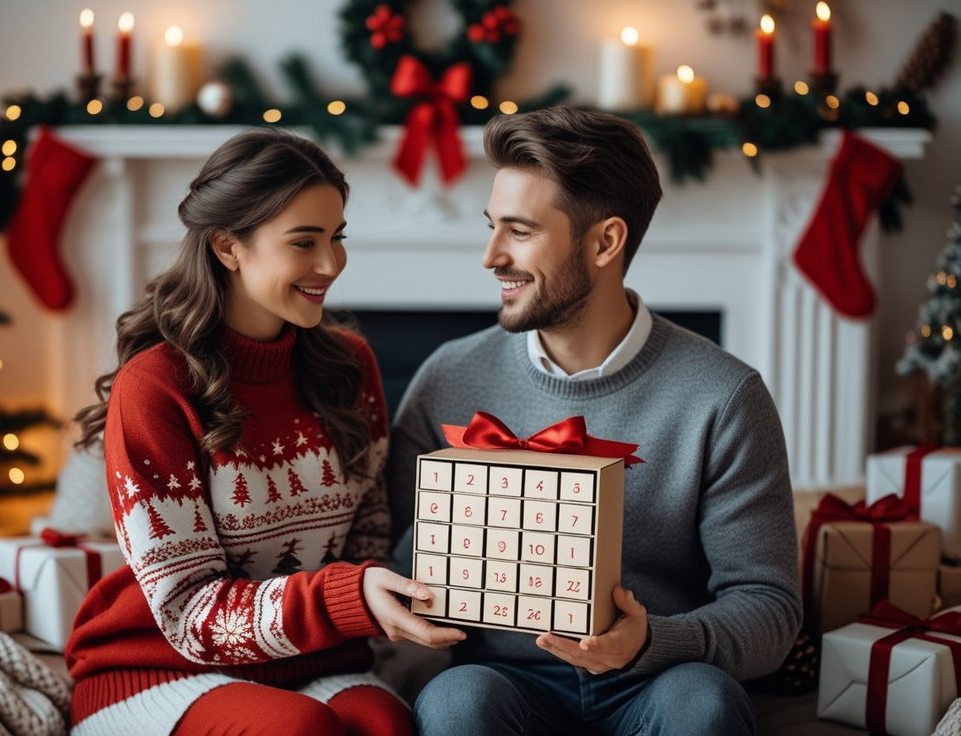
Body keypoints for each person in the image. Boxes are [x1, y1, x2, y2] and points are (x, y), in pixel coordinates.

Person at [387, 106, 802, 735]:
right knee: (455, 702)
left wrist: (652, 641)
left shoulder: (724, 397)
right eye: (491, 226)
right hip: (504, 682)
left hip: (660, 679)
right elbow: (389, 560)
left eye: (520, 231)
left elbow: (769, 609)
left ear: (605, 241)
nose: (490, 256)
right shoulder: (449, 377)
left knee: (704, 706)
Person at [64, 128, 464, 736]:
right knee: (298, 731)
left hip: (312, 661)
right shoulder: (155, 387)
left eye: (337, 238)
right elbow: (188, 612)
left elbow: (368, 541)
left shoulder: (349, 366)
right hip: (161, 667)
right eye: (304, 242)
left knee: (387, 724)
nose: (331, 265)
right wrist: (341, 597)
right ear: (228, 247)